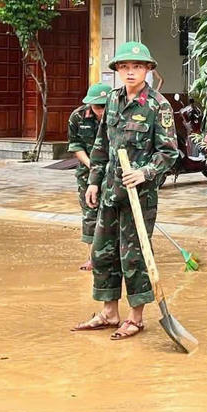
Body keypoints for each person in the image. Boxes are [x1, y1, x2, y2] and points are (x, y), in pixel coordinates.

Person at [72, 43, 179, 340]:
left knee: (134, 256)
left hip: (139, 195)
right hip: (110, 189)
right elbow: (101, 146)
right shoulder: (113, 101)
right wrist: (94, 180)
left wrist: (144, 172)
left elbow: (169, 153)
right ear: (118, 70)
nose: (130, 71)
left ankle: (135, 317)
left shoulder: (158, 105)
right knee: (103, 250)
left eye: (137, 66)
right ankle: (109, 311)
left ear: (148, 69)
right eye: (124, 66)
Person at [68, 82, 112, 272]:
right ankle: (92, 258)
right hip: (87, 173)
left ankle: (116, 257)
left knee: (114, 213)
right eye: (97, 107)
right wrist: (93, 165)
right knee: (90, 213)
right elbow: (75, 145)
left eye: (104, 106)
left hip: (114, 173)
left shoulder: (118, 116)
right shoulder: (77, 117)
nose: (101, 112)